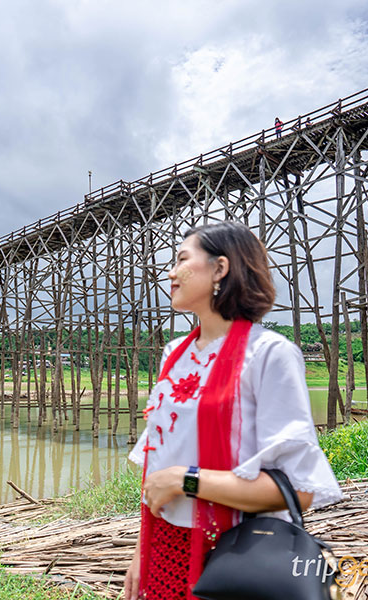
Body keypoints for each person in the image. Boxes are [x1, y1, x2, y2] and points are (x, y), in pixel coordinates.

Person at [123, 221, 342, 600]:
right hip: (164, 546)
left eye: (182, 259)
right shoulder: (173, 354)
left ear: (220, 269)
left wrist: (184, 479)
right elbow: (157, 471)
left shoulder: (269, 354)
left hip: (236, 550)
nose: (170, 272)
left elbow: (300, 489)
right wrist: (140, 554)